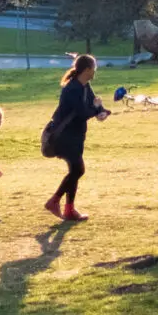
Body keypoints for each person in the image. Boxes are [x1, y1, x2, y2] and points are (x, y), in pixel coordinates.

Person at [43, 54, 110, 222]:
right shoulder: (72, 89)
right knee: (78, 170)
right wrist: (95, 110)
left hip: (76, 136)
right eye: (94, 68)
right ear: (87, 70)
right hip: (65, 137)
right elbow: (82, 113)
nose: (95, 71)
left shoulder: (85, 86)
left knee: (74, 171)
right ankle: (55, 201)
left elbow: (93, 104)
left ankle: (69, 209)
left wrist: (102, 111)